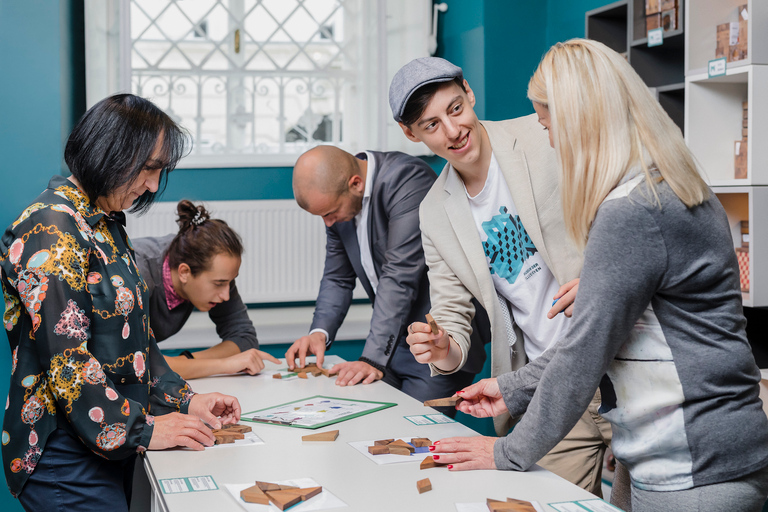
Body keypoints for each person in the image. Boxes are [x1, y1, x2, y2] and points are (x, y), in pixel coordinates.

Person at [429, 39, 768, 511]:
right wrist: (510, 387)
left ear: (578, 122)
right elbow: (605, 334)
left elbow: (585, 352)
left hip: (694, 468)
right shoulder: (662, 183)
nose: (548, 140)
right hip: (684, 456)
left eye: (549, 127)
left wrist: (506, 450)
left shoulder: (632, 211)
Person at [0, 94, 241, 510]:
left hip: (109, 437)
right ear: (111, 151)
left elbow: (136, 344)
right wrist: (143, 432)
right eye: (149, 168)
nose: (152, 184)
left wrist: (186, 400)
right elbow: (68, 361)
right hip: (63, 452)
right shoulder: (52, 227)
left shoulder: (105, 224)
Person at [390, 56, 612, 495]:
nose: (453, 132)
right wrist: (440, 348)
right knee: (545, 503)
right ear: (410, 133)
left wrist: (605, 279)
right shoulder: (434, 212)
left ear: (469, 93)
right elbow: (452, 323)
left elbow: (620, 203)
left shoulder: (543, 133)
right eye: (431, 125)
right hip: (552, 386)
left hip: (619, 357)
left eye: (455, 110)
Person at [284, 145, 485, 405]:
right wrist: (319, 333)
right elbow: (337, 278)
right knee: (367, 421)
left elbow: (399, 274)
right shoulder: (338, 204)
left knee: (414, 433)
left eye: (330, 213)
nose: (328, 223)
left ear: (355, 183)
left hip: (436, 340)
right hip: (391, 339)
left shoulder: (407, 180)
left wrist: (371, 358)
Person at [132, 200, 279, 380]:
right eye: (219, 284)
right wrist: (224, 364)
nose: (226, 295)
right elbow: (134, 365)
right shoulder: (136, 274)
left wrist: (187, 361)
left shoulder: (208, 264)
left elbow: (244, 339)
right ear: (184, 272)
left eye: (230, 283)